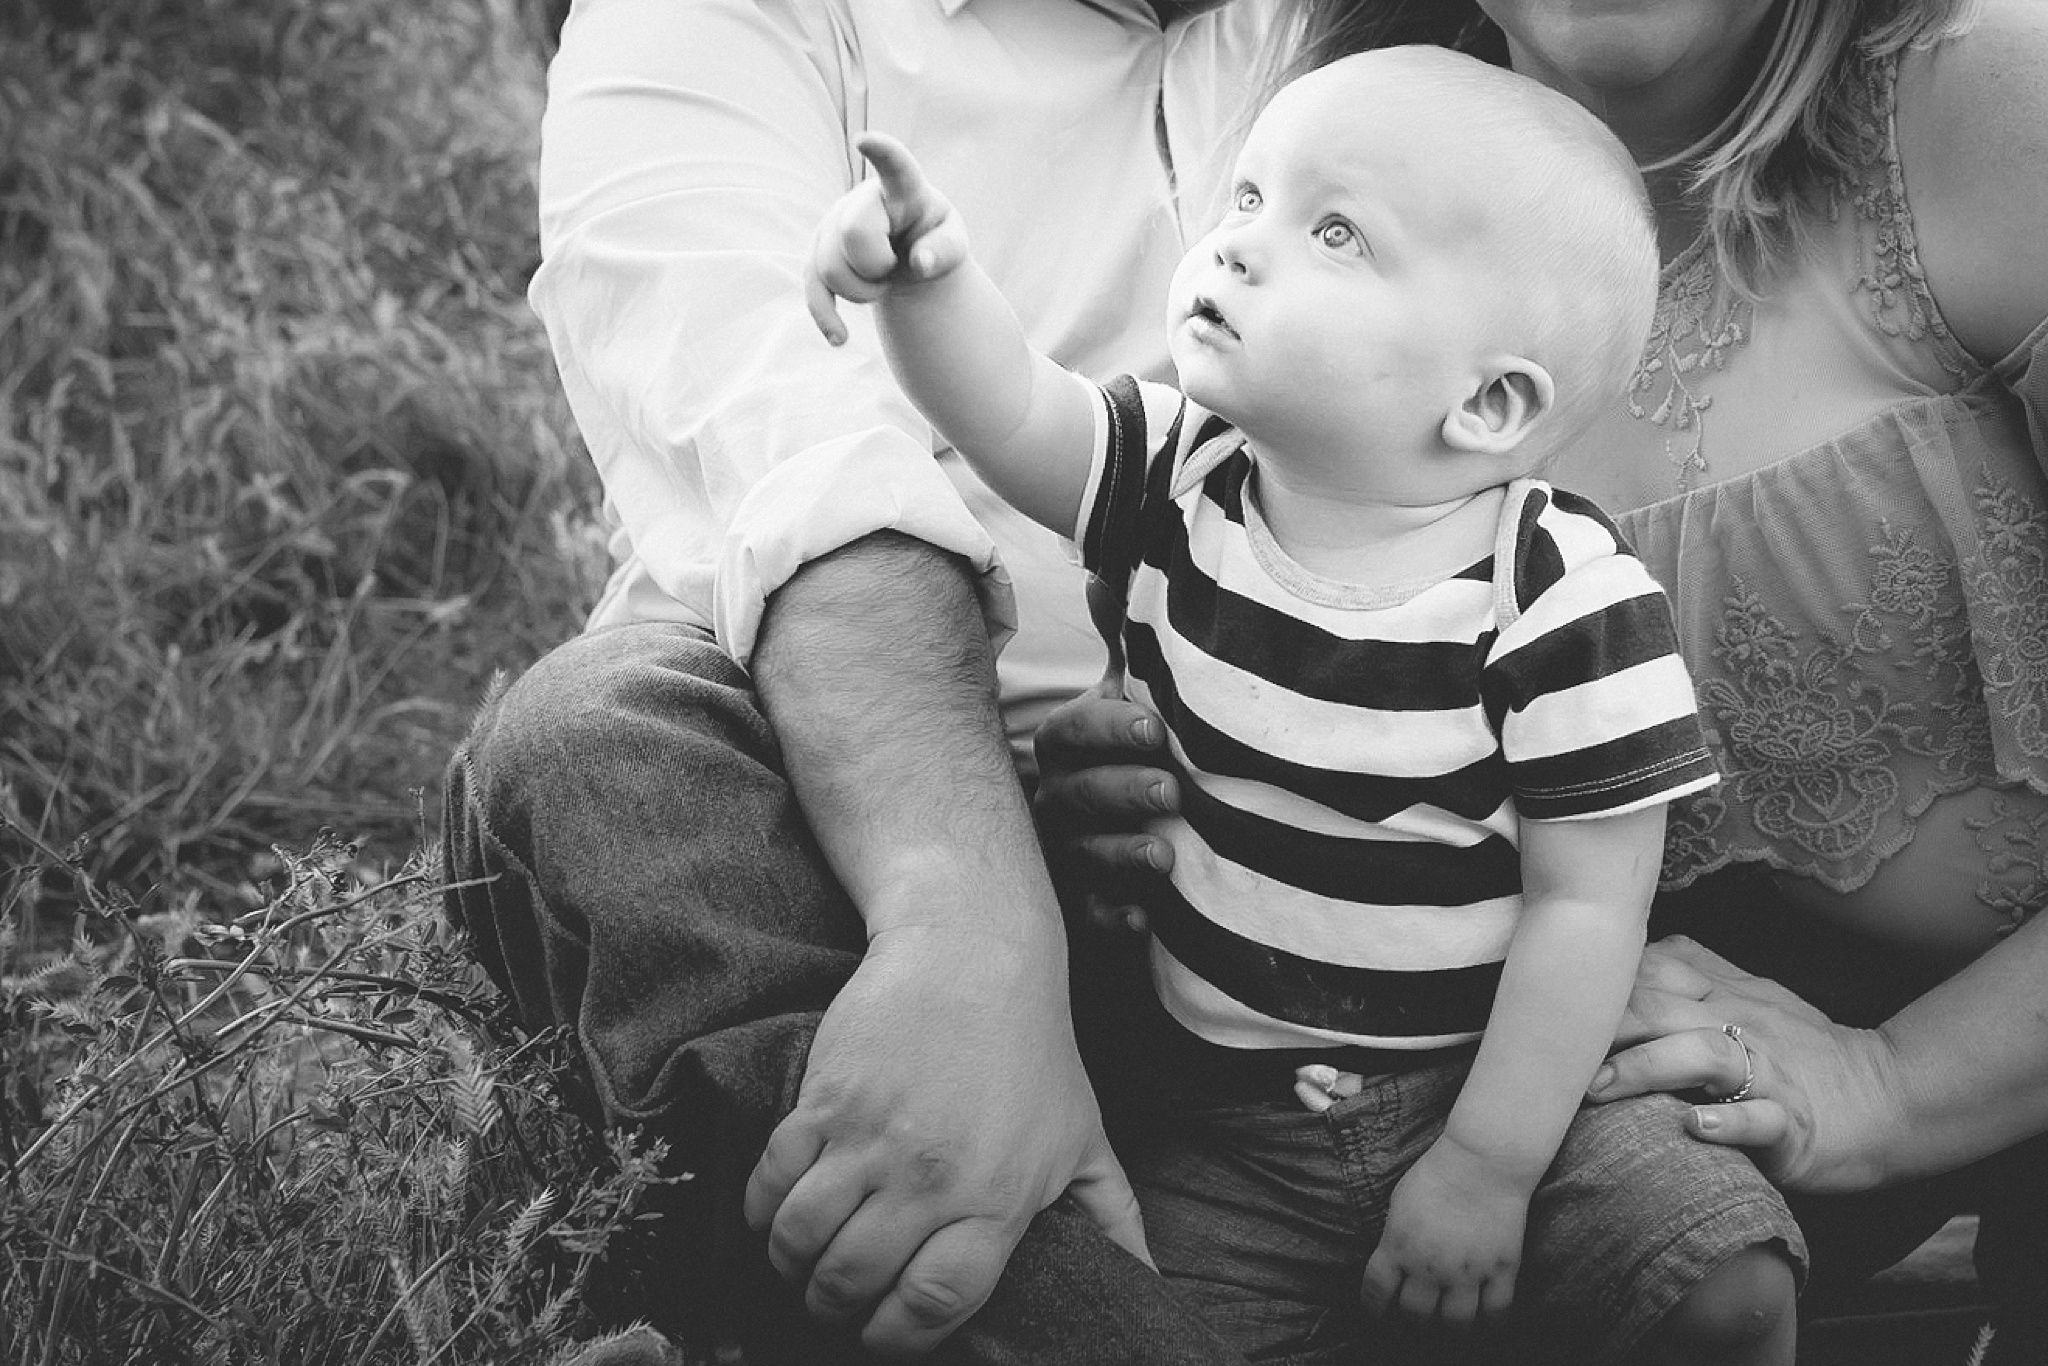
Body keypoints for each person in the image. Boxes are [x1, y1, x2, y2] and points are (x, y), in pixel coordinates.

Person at [1036, 0, 2048, 1360]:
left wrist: (1896, 1082)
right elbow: (1226, 584)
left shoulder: (1989, 99)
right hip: (1589, 1056)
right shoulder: (1363, 145)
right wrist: (1180, 767)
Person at [805, 43, 1806, 1364]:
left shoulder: (1559, 595)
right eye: (1248, 200)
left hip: (1515, 1091)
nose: (1240, 247)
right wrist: (927, 279)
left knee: (1716, 1276)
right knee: (1124, 1318)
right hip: (1233, 1120)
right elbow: (1012, 411)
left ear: (1490, 401)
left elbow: (1587, 904)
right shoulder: (1182, 472)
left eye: (1335, 233)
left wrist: (1489, 1168)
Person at [443, 1, 1293, 1361]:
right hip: (826, 829)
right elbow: (811, 468)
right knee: (596, 746)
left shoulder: (1377, 34)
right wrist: (974, 923)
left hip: (1243, 852)